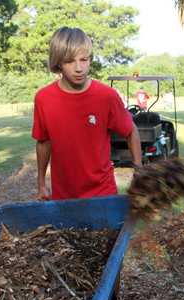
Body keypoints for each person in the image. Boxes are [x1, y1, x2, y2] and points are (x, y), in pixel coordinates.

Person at [33, 26, 141, 200]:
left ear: (90, 58)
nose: (79, 68)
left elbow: (130, 130)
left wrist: (139, 171)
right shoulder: (43, 98)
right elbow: (43, 142)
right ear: (58, 62)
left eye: (84, 59)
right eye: (70, 61)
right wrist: (41, 184)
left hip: (102, 193)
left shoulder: (106, 96)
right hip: (64, 195)